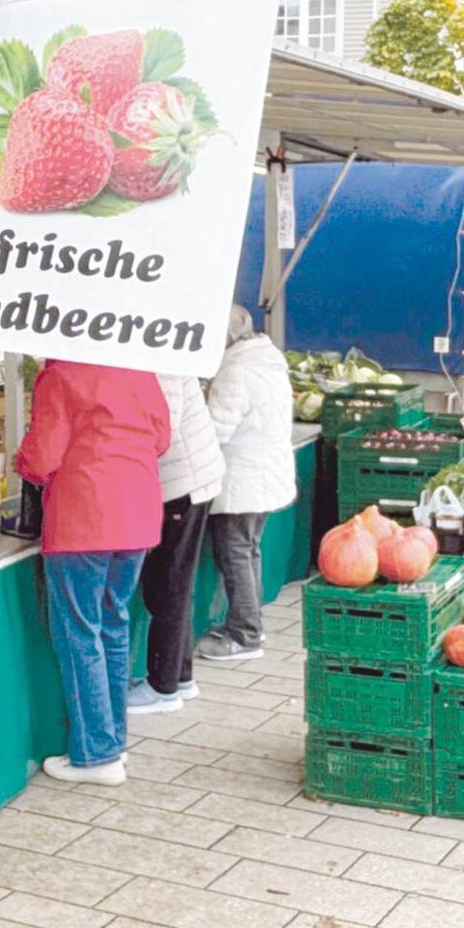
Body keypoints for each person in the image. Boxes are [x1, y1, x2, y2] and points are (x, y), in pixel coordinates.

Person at [14, 359, 169, 785]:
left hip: (83, 515)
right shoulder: (138, 368)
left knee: (80, 633)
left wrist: (21, 462)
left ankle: (97, 754)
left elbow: (43, 456)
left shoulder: (61, 373)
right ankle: (112, 743)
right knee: (113, 625)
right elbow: (161, 438)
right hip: (137, 513)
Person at [198, 306, 298, 662]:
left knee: (236, 554)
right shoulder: (268, 363)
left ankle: (244, 635)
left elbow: (215, 430)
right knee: (249, 550)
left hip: (242, 480)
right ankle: (251, 624)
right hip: (265, 476)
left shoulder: (235, 371)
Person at [126, 373, 225, 714]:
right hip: (189, 476)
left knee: (168, 585)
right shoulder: (159, 357)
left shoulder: (161, 361)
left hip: (181, 483)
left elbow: (161, 427)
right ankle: (180, 676)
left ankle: (162, 686)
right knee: (175, 582)